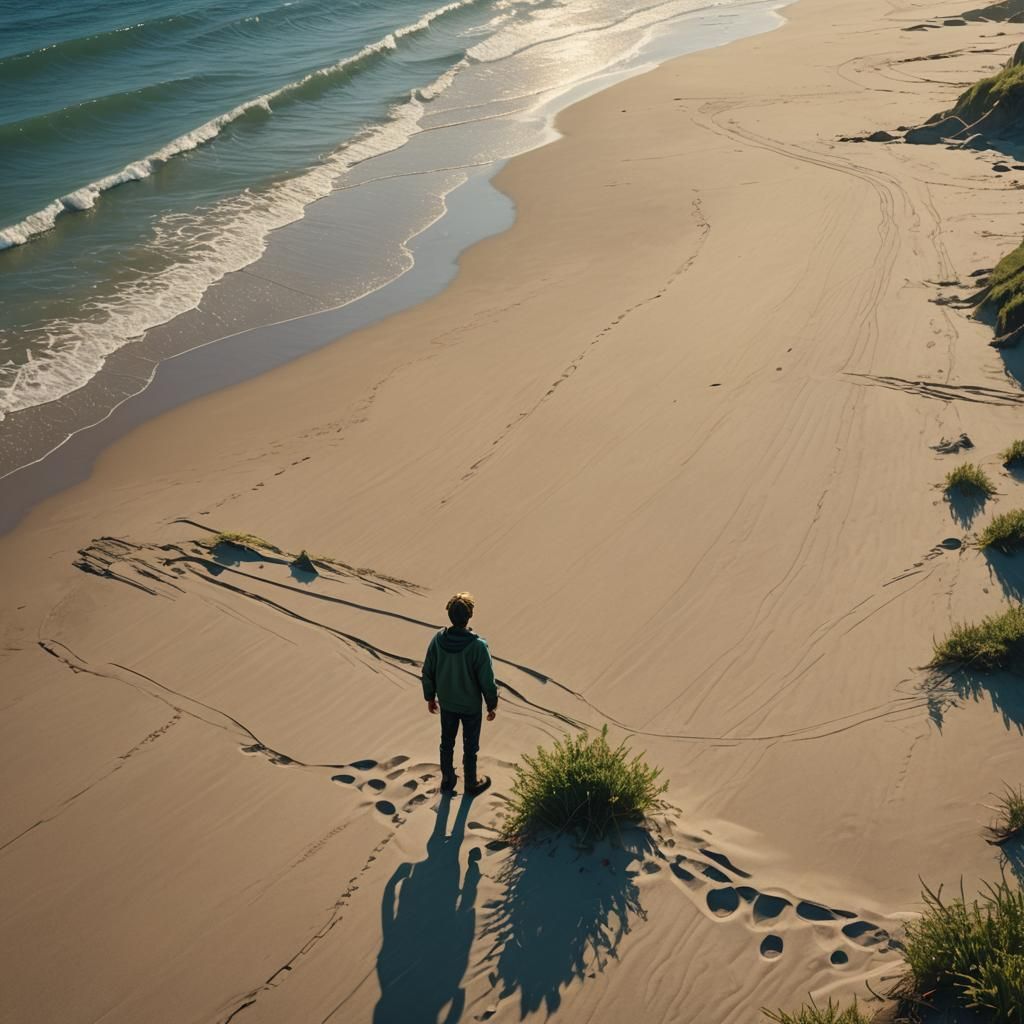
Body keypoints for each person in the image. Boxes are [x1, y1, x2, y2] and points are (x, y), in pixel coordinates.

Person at [422, 592, 498, 795]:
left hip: (447, 703)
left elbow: (428, 670)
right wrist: (491, 704)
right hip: (470, 707)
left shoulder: (438, 640)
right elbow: (487, 679)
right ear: (470, 615)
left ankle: (447, 780)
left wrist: (430, 697)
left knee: (446, 743)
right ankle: (471, 783)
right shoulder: (478, 646)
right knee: (470, 746)